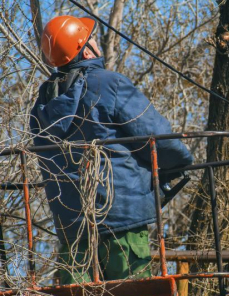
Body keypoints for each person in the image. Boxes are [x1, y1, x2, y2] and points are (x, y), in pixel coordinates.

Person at [30, 15, 193, 284]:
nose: (96, 40)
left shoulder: (42, 104)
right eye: (91, 37)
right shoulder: (109, 84)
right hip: (122, 220)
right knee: (133, 289)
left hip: (71, 228)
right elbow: (158, 139)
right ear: (86, 48)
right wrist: (181, 162)